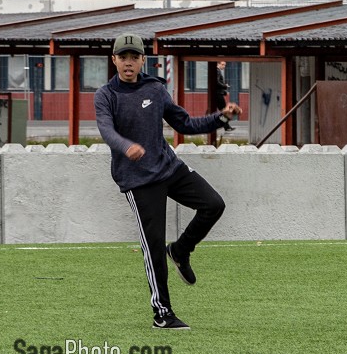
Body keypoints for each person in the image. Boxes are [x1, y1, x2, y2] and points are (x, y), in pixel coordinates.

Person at [94, 34, 240, 330]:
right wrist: (126, 146)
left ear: (142, 60)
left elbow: (184, 124)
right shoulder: (106, 95)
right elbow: (106, 130)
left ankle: (182, 250)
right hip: (137, 179)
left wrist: (220, 119)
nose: (129, 62)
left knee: (214, 204)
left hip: (168, 168)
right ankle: (162, 314)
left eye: (134, 57)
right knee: (153, 247)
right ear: (114, 61)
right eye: (123, 57)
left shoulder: (155, 89)